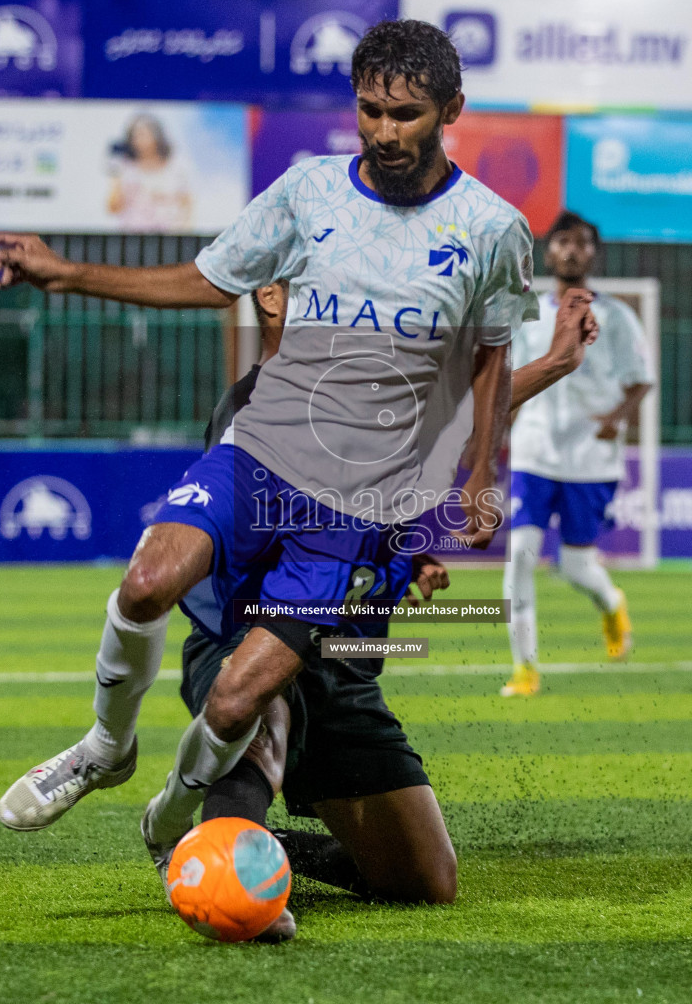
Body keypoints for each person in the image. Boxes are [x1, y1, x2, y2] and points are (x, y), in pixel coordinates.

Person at [0, 19, 590, 922]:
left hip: (349, 510)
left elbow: (487, 357)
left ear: (451, 112)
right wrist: (65, 273)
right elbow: (209, 277)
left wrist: (476, 478)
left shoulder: (492, 231)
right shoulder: (307, 193)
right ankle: (107, 749)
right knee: (148, 585)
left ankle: (181, 825)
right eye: (369, 111)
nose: (383, 132)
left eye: (405, 115)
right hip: (261, 457)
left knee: (251, 704)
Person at [177, 279, 600, 942]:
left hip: (341, 661)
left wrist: (398, 557)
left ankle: (236, 842)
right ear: (271, 298)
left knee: (426, 881)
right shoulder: (261, 403)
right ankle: (228, 861)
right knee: (268, 694)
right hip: (251, 638)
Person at [500, 211, 653, 698]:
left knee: (575, 567)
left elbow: (641, 379)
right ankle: (525, 669)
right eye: (563, 241)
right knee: (519, 558)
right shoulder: (526, 312)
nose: (571, 250)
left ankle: (611, 603)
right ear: (549, 253)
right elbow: (509, 380)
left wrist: (617, 418)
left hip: (590, 457)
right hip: (534, 449)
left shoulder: (617, 317)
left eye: (582, 243)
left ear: (593, 253)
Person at [106, 114, 193, 231]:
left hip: (169, 237)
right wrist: (115, 174)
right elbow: (113, 207)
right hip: (132, 238)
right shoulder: (126, 169)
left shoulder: (176, 168)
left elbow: (187, 204)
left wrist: (184, 232)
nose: (139, 140)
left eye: (143, 134)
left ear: (157, 136)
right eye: (134, 136)